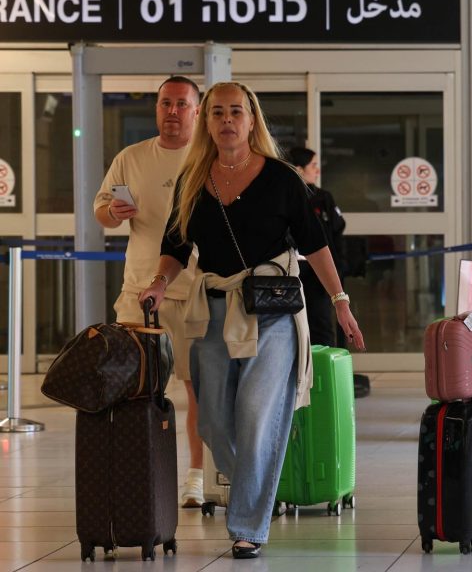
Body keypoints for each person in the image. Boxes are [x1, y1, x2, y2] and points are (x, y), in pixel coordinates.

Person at [139, 81, 365, 559]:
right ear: (208, 121)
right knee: (215, 424)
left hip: (274, 312)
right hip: (214, 312)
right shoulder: (193, 178)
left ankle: (248, 525)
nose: (226, 121)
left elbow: (315, 244)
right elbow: (175, 246)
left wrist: (340, 300)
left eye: (235, 112)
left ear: (251, 119)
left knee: (258, 417)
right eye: (217, 112)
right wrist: (159, 283)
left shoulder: (283, 178)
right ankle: (257, 482)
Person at [93, 75, 206, 508]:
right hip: (139, 290)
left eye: (181, 104)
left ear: (196, 111)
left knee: (196, 388)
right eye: (165, 104)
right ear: (156, 108)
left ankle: (195, 477)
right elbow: (102, 212)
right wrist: (112, 211)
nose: (172, 112)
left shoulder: (207, 159)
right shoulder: (132, 157)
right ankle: (135, 472)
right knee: (130, 388)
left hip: (195, 290)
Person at [288, 147, 348, 348]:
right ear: (298, 169)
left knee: (321, 324)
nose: (317, 171)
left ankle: (323, 370)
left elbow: (336, 231)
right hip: (291, 272)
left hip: (318, 274)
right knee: (291, 326)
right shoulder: (284, 197)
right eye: (313, 166)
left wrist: (338, 267)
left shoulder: (323, 198)